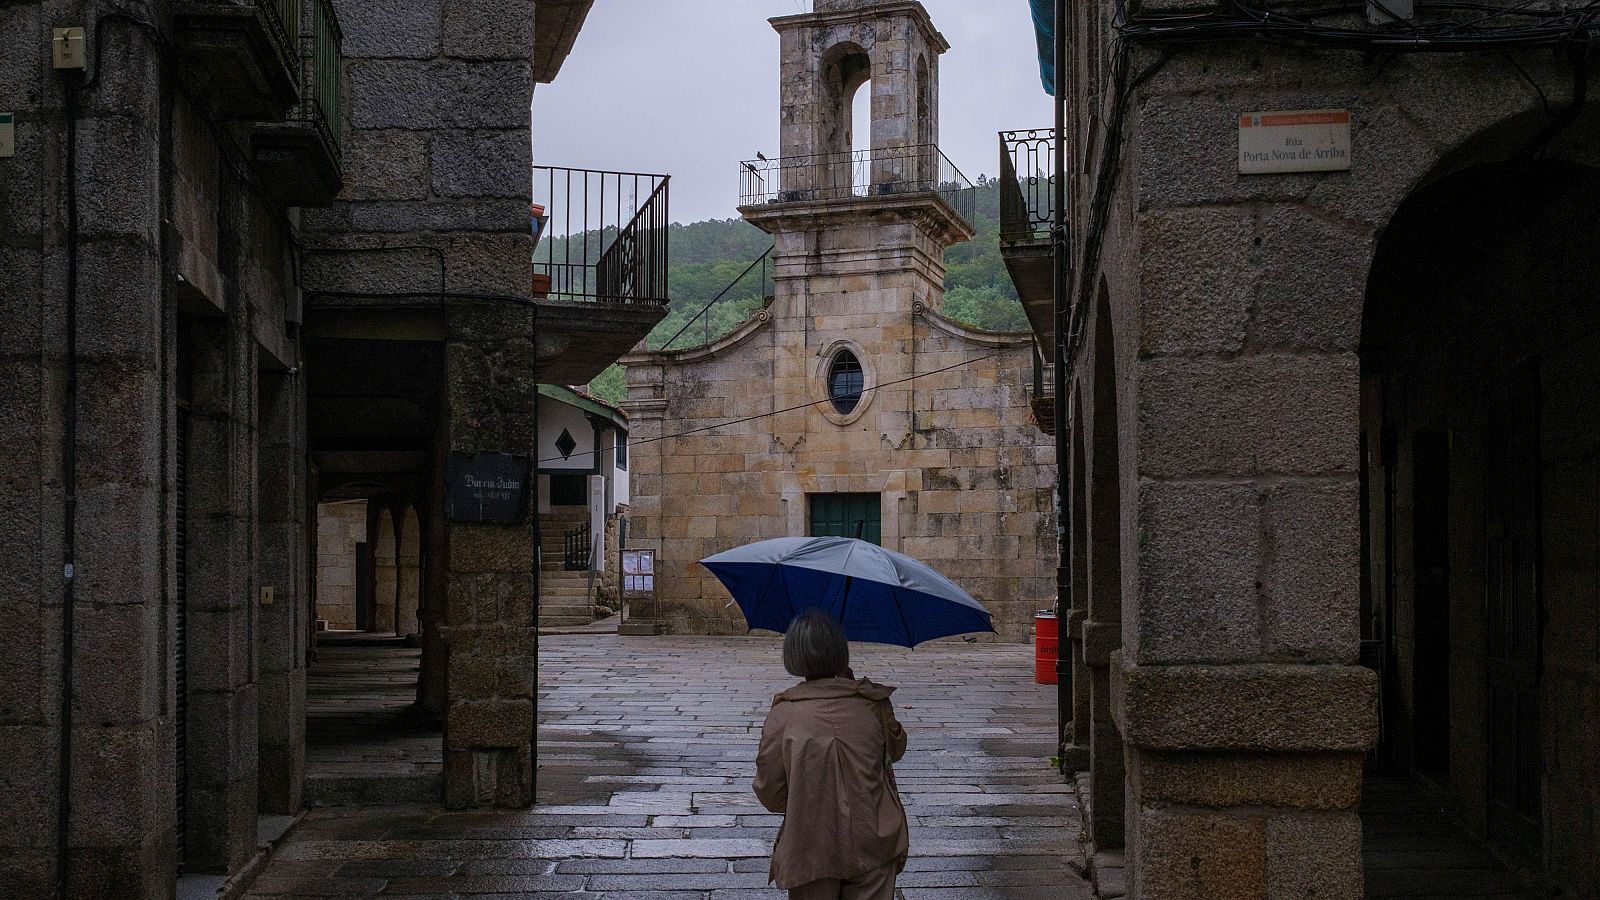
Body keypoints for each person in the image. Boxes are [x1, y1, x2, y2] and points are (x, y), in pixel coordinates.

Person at [753, 609, 909, 900]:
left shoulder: (784, 715)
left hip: (810, 847)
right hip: (874, 840)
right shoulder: (873, 704)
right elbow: (896, 749)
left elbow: (770, 794)